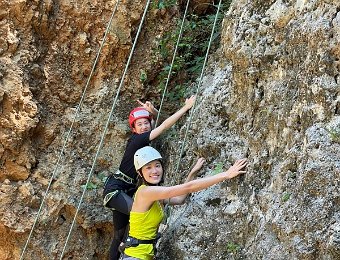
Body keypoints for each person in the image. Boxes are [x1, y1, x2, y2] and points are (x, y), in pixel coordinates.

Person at [103, 96, 196, 260]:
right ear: (134, 129)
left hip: (126, 191)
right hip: (116, 189)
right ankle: (137, 246)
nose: (144, 126)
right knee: (138, 215)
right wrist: (186, 107)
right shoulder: (138, 140)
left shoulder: (143, 141)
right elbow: (165, 126)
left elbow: (159, 124)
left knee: (119, 234)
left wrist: (153, 112)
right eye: (140, 124)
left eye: (146, 122)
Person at [121, 146, 248, 260]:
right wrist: (225, 174)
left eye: (157, 165)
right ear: (140, 173)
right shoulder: (146, 192)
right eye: (148, 167)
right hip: (135, 256)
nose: (154, 171)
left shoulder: (156, 197)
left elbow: (181, 198)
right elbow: (187, 188)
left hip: (143, 255)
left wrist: (193, 173)